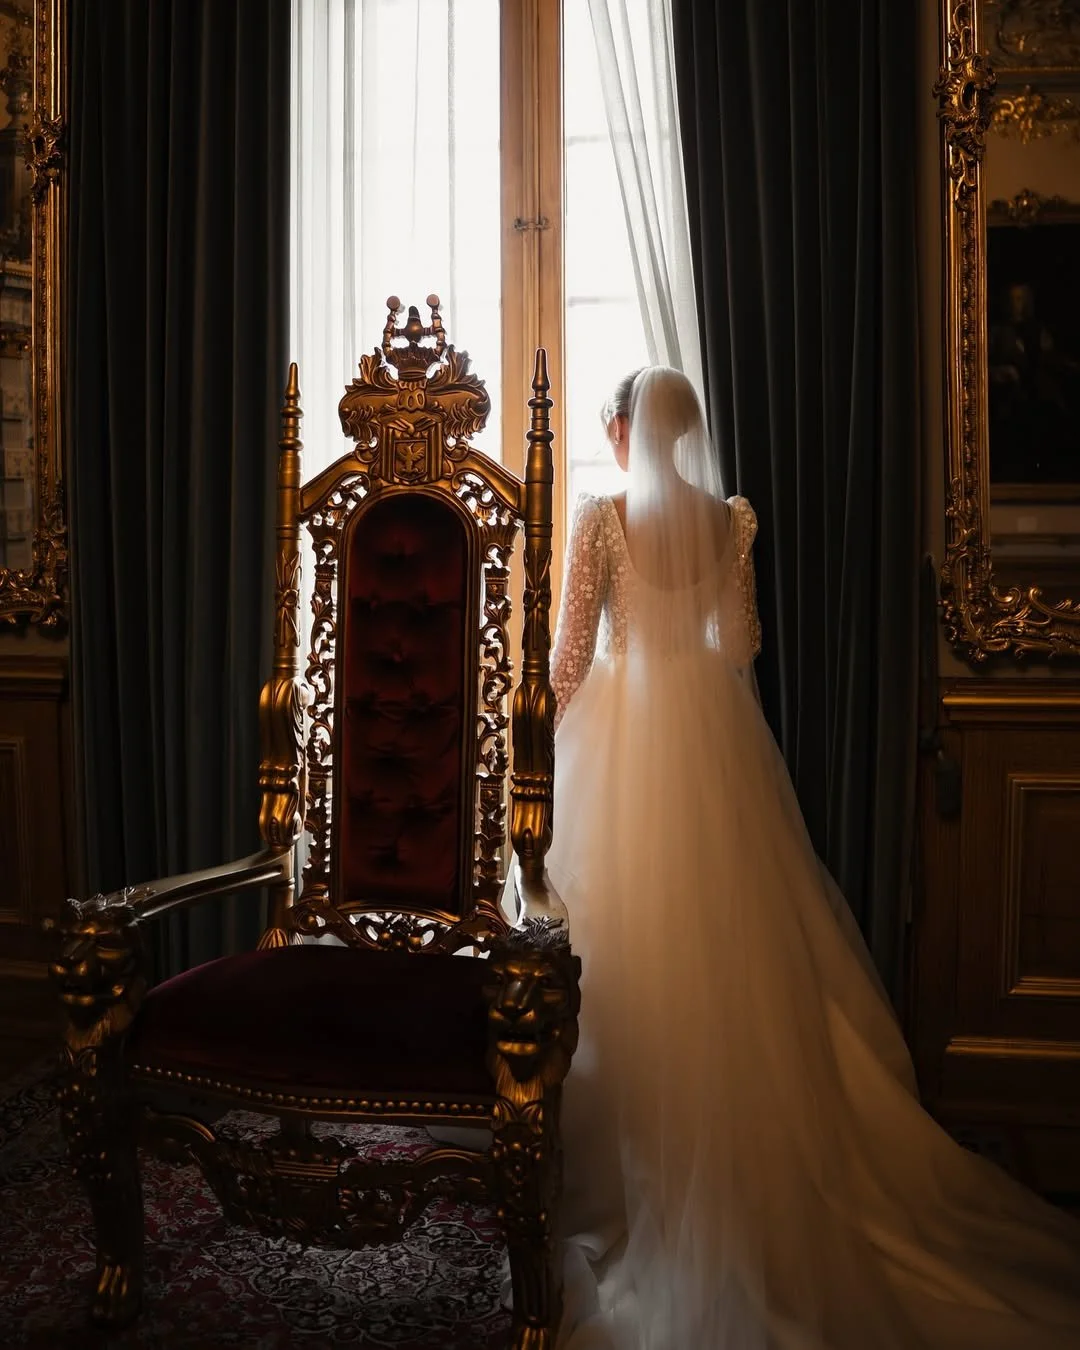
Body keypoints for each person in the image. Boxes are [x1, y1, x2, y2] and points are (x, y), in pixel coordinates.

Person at [545, 365, 1080, 1349]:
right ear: (684, 434)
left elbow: (569, 662)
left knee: (618, 952)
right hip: (713, 738)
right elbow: (740, 643)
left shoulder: (600, 521)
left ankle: (619, 1165)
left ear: (624, 431)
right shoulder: (729, 521)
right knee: (730, 956)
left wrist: (544, 751)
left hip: (624, 740)